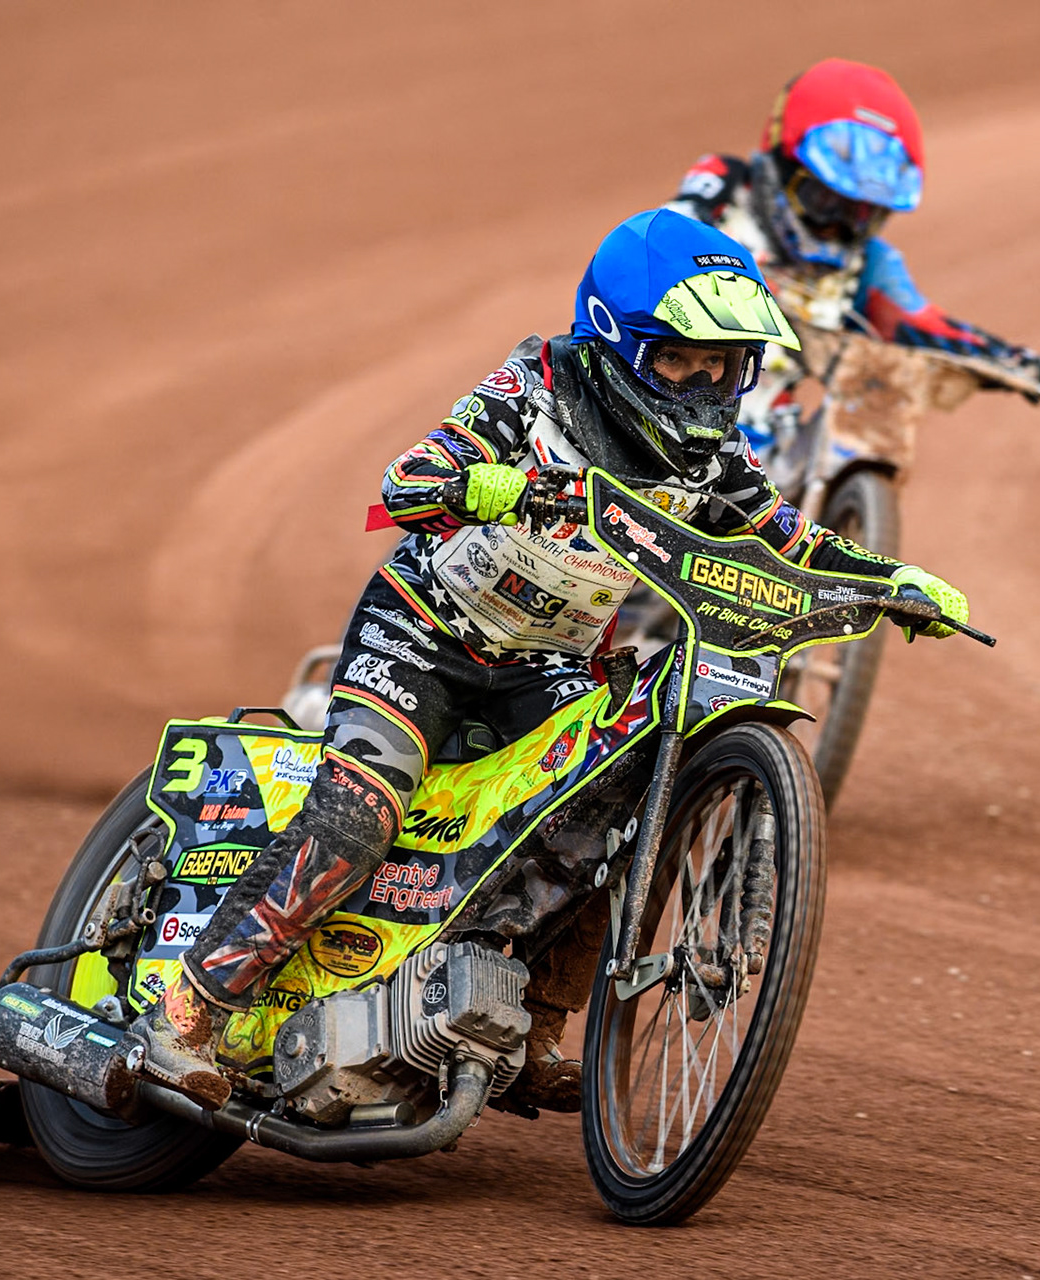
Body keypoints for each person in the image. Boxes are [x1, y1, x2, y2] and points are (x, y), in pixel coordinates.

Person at [126, 209, 974, 1114]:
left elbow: (789, 537)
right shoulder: (533, 387)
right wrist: (479, 482)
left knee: (625, 795)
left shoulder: (717, 456)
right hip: (426, 635)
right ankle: (186, 1013)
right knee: (360, 814)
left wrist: (890, 578)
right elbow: (405, 479)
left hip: (549, 666)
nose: (702, 387)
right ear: (614, 341)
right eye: (680, 360)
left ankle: (531, 1024)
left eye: (724, 365)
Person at [665, 56, 1040, 448]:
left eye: (861, 215)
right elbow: (660, 238)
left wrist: (1021, 364)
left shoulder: (868, 263)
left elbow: (924, 326)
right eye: (825, 201)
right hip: (667, 399)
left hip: (760, 439)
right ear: (784, 165)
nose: (838, 227)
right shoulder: (725, 187)